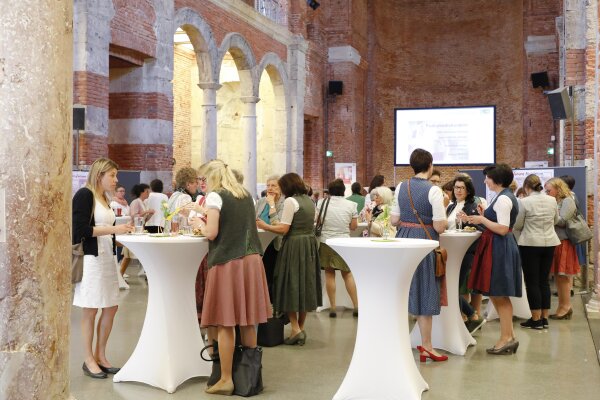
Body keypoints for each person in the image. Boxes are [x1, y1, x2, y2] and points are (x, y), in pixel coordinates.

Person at [191, 159, 271, 396]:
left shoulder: (216, 196)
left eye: (203, 180)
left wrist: (198, 222)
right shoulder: (245, 195)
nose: (202, 184)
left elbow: (212, 232)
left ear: (211, 178)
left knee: (226, 322)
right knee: (247, 320)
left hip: (228, 262)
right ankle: (251, 375)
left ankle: (226, 379)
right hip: (251, 261)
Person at [72, 158, 134, 379]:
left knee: (111, 307)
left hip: (108, 259)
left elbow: (107, 231)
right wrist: (112, 228)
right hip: (91, 261)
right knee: (90, 309)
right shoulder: (85, 195)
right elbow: (80, 230)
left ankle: (101, 355)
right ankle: (88, 359)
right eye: (113, 175)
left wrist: (124, 236)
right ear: (99, 175)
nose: (116, 180)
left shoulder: (105, 198)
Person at [391, 149, 447, 362]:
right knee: (425, 291)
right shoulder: (434, 191)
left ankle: (399, 343)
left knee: (405, 289)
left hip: (403, 240)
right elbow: (440, 226)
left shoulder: (401, 187)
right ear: (430, 165)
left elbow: (394, 220)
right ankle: (427, 346)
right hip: (424, 243)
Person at [257, 173, 322, 346]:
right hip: (308, 246)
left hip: (293, 246)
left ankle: (295, 328)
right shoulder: (309, 201)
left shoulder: (290, 202)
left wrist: (265, 226)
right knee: (304, 285)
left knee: (289, 285)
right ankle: (299, 328)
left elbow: (283, 228)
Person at [466, 164, 522, 355]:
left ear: (496, 179)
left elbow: (502, 228)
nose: (485, 181)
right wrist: (484, 215)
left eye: (487, 177)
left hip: (500, 247)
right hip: (498, 246)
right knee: (498, 294)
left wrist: (481, 220)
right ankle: (509, 336)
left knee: (500, 294)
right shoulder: (503, 197)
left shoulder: (503, 199)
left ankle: (506, 337)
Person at [512, 174, 560, 330]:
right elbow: (556, 220)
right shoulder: (551, 200)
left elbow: (518, 225)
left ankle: (535, 319)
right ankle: (545, 318)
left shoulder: (524, 202)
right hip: (550, 242)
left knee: (532, 282)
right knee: (543, 281)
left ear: (526, 187)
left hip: (530, 244)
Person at [316, 179, 359, 318]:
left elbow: (319, 222)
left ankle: (333, 307)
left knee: (329, 274)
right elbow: (353, 227)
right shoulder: (352, 205)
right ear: (343, 191)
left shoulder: (321, 203)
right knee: (347, 274)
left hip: (326, 241)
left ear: (329, 190)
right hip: (344, 242)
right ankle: (356, 305)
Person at [447, 175, 485, 332]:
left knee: (453, 287)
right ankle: (472, 315)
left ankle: (472, 315)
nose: (458, 190)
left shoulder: (473, 206)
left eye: (462, 187)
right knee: (449, 287)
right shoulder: (450, 206)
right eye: (456, 187)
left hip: (465, 252)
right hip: (450, 251)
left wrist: (467, 220)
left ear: (468, 190)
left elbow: (481, 229)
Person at [545, 177, 579, 320]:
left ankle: (566, 307)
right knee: (559, 277)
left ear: (558, 189)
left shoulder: (568, 200)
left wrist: (549, 212)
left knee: (563, 276)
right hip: (556, 241)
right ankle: (562, 306)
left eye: (549, 190)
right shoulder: (557, 201)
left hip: (564, 242)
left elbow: (562, 221)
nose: (547, 193)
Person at [255, 175, 285, 299]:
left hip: (275, 243)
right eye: (268, 186)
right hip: (259, 242)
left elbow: (278, 224)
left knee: (271, 273)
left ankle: (272, 301)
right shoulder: (261, 201)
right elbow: (254, 217)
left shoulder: (284, 203)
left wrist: (272, 204)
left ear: (281, 188)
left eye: (274, 186)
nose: (270, 189)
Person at [120, 183, 153, 277]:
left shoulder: (143, 203)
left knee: (129, 255)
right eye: (147, 191)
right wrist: (146, 212)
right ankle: (120, 274)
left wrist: (150, 214)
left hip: (140, 230)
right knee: (127, 255)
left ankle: (121, 275)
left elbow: (144, 220)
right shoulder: (135, 202)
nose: (148, 193)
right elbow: (134, 216)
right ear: (142, 192)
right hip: (133, 230)